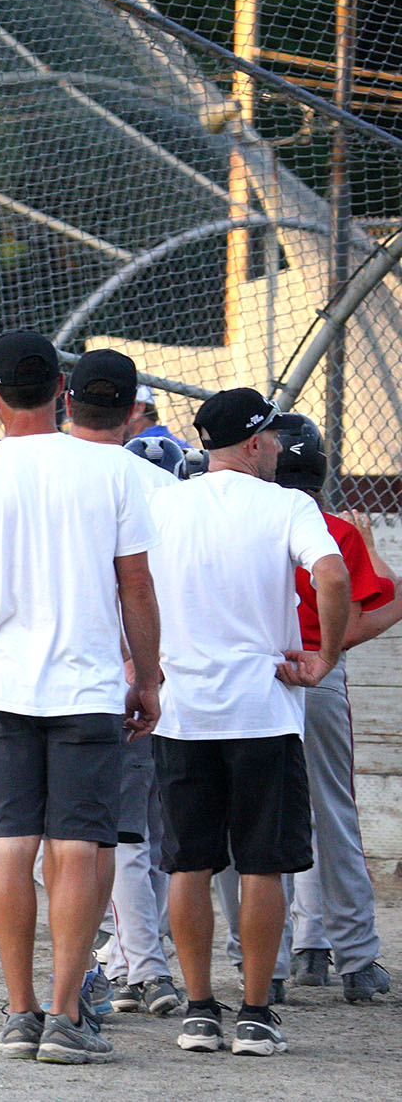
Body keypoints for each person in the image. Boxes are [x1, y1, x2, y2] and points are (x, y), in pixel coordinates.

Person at [0, 331, 161, 1065]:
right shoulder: (112, 470)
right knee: (80, 845)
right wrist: (147, 678)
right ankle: (66, 1012)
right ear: (63, 387)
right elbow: (136, 584)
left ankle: (19, 1010)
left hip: (1, 687)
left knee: (11, 844)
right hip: (88, 686)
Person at [149, 388, 349, 1058]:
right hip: (262, 711)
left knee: (189, 865)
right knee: (263, 865)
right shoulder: (288, 504)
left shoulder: (165, 502)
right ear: (258, 442)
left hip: (184, 711)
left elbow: (132, 586)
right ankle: (258, 1012)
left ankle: (200, 1009)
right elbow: (333, 576)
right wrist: (323, 658)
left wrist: (144, 665)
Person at [64, 350, 183, 1018]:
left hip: (119, 678)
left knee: (123, 832)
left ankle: (141, 963)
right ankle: (138, 957)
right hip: (163, 677)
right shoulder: (163, 488)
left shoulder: (63, 476)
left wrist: (139, 668)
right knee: (151, 833)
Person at [271, 413, 396, 1003]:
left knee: (253, 818)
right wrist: (327, 647)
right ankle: (354, 960)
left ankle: (272, 962)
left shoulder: (239, 517)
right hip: (316, 676)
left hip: (250, 680)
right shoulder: (332, 529)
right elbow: (378, 603)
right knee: (332, 816)